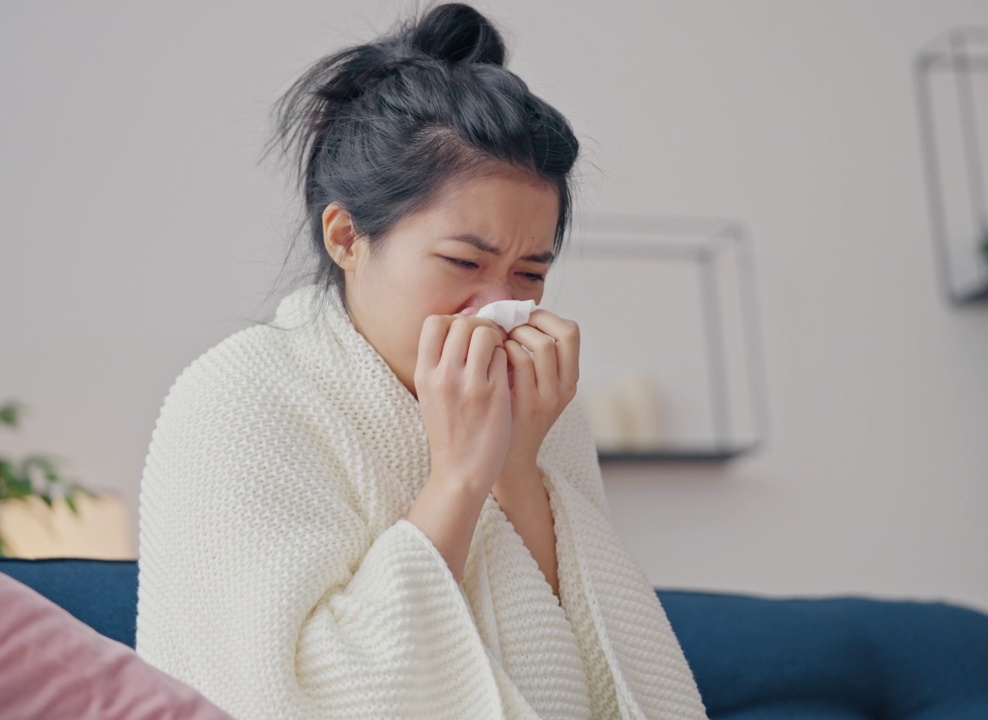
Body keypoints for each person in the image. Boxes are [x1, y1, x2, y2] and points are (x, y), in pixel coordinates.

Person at [135, 4, 706, 719]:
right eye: (464, 260)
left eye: (531, 273)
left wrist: (518, 469)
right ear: (347, 237)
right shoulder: (239, 399)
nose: (497, 306)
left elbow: (592, 677)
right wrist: (464, 475)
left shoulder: (537, 408)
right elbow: (291, 697)